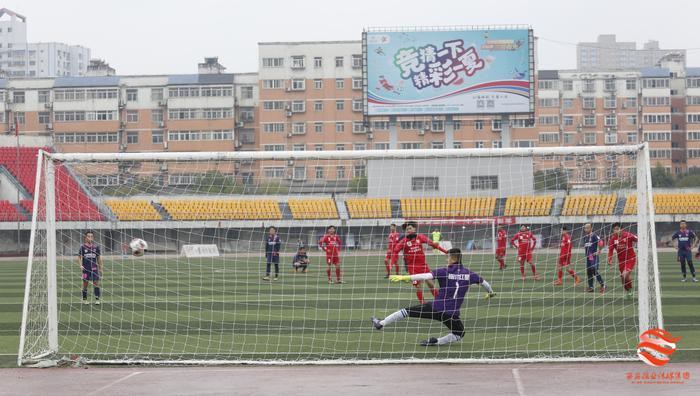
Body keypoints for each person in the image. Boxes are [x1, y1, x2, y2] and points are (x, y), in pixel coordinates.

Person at [371, 248, 496, 346]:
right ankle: (436, 341)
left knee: (406, 311)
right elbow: (486, 284)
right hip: (452, 314)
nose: (446, 260)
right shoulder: (470, 274)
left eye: (447, 258)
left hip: (435, 308)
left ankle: (381, 323)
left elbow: (425, 276)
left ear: (452, 258)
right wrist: (490, 293)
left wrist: (405, 277)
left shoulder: (444, 271)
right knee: (459, 334)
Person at [390, 221, 447, 304]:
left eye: (410, 228)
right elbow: (395, 252)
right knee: (418, 287)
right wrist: (391, 263)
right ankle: (422, 304)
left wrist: (446, 252)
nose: (408, 230)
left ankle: (440, 302)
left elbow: (433, 245)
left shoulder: (420, 237)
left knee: (431, 284)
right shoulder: (403, 241)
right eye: (407, 229)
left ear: (414, 229)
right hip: (412, 268)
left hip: (423, 266)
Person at [608, 223, 638, 299]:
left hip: (630, 259)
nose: (615, 230)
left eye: (617, 229)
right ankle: (628, 290)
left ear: (622, 229)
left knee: (625, 274)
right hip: (621, 261)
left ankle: (630, 290)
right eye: (614, 229)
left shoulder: (628, 235)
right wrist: (610, 259)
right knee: (623, 278)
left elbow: (637, 239)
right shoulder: (613, 239)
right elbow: (610, 250)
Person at [78, 231, 103, 305]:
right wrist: (80, 265)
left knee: (96, 283)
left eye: (91, 236)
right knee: (85, 284)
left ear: (93, 238)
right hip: (85, 269)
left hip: (94, 269)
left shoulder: (96, 247)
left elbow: (99, 258)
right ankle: (85, 299)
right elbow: (79, 257)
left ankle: (97, 299)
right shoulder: (82, 247)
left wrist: (101, 268)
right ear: (85, 238)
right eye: (88, 236)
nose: (90, 238)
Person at [583, 223, 605, 294]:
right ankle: (591, 287)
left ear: (591, 228)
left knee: (593, 269)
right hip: (588, 257)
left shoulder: (594, 235)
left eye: (587, 228)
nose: (586, 229)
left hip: (593, 256)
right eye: (585, 228)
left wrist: (599, 251)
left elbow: (601, 242)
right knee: (589, 271)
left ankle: (602, 284)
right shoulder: (585, 237)